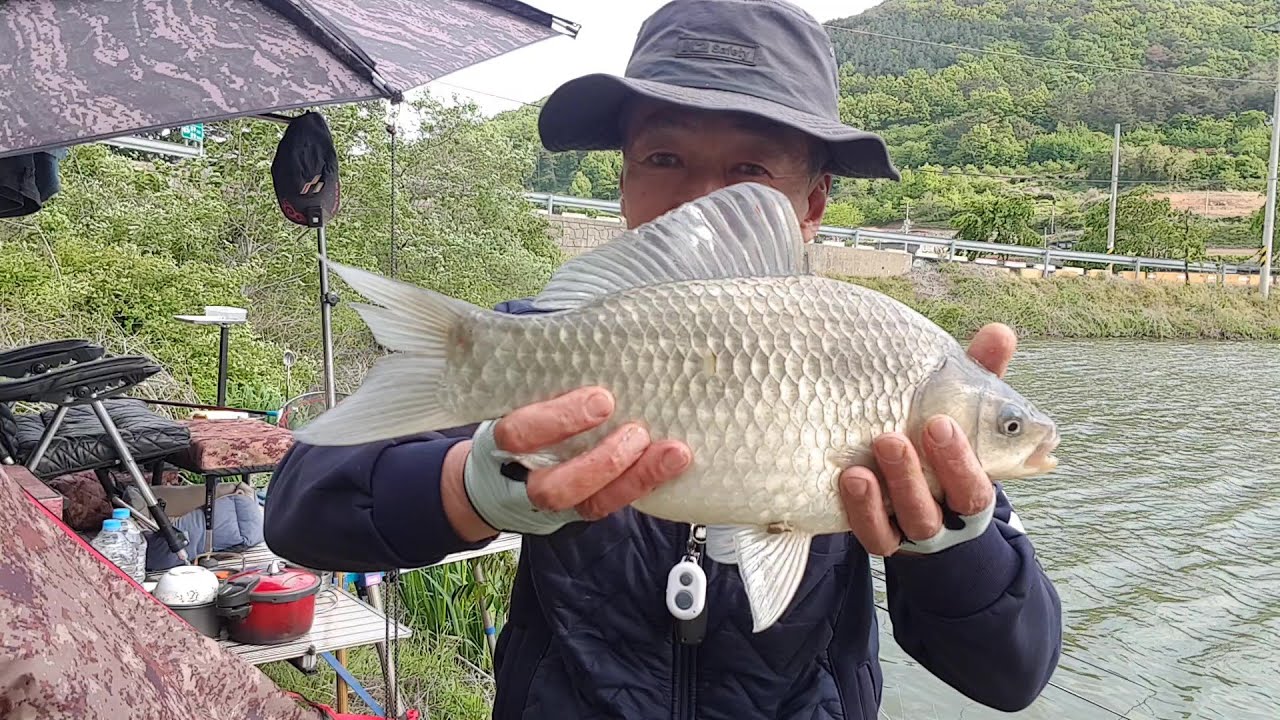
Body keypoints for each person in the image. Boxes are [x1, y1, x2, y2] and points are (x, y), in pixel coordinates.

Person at [263, 1, 1063, 717]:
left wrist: (955, 537)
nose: (702, 205)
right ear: (623, 178)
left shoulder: (879, 356)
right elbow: (299, 513)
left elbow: (1013, 672)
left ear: (812, 202)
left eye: (749, 172)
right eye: (665, 160)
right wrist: (472, 489)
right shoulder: (542, 343)